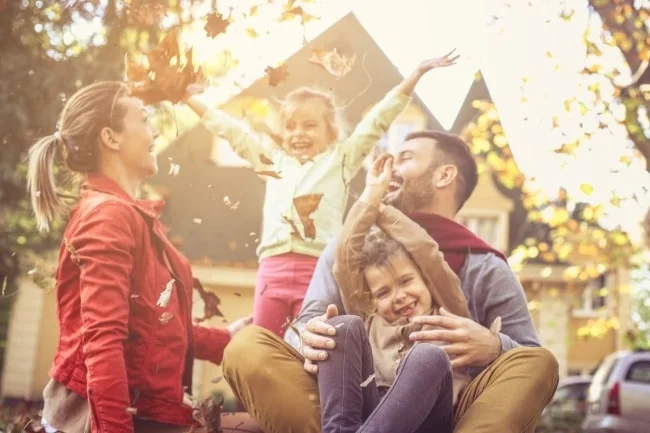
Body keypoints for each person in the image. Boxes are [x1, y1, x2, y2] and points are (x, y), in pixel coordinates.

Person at [222, 130, 560, 433]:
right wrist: (307, 339)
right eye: (383, 291)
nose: (390, 166)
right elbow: (305, 323)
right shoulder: (352, 255)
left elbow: (527, 357)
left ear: (444, 175)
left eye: (405, 158)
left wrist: (494, 346)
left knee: (538, 362)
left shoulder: (482, 266)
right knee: (246, 347)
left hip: (452, 415)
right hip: (354, 403)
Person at [27, 81, 251, 433]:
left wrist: (223, 340)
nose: (156, 131)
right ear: (111, 138)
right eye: (145, 120)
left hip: (146, 410)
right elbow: (101, 338)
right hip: (113, 415)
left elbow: (146, 323)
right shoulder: (109, 216)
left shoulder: (129, 215)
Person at [183, 51, 458, 337]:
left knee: (311, 345)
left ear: (331, 131)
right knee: (263, 343)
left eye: (310, 125)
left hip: (316, 271)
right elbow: (233, 133)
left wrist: (416, 74)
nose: (298, 134)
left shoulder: (340, 159)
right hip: (271, 272)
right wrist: (188, 100)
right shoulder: (273, 163)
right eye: (290, 126)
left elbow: (376, 121)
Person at [319, 153, 480, 433]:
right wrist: (371, 195)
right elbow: (345, 256)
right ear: (372, 301)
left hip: (428, 420)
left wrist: (381, 208)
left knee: (428, 356)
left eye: (406, 281)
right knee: (341, 326)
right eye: (383, 292)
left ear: (427, 280)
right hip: (369, 414)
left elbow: (424, 250)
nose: (400, 296)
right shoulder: (371, 320)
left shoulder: (448, 314)